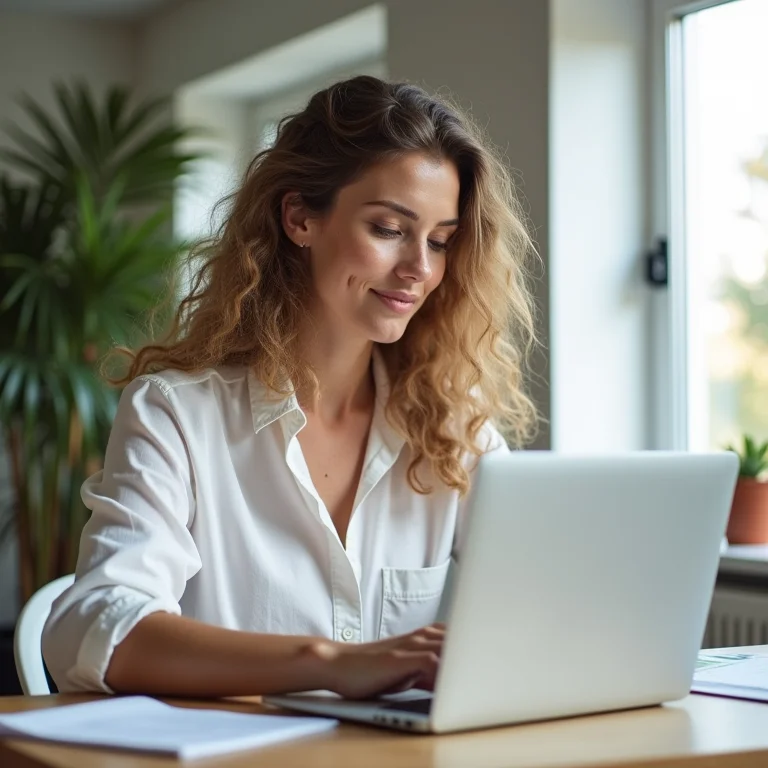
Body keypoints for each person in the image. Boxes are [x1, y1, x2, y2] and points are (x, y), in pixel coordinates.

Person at [42, 75, 538, 698]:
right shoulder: (177, 414)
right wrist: (328, 661)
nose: (419, 268)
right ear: (300, 216)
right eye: (389, 229)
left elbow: (538, 613)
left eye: (440, 241)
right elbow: (91, 631)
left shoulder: (454, 431)